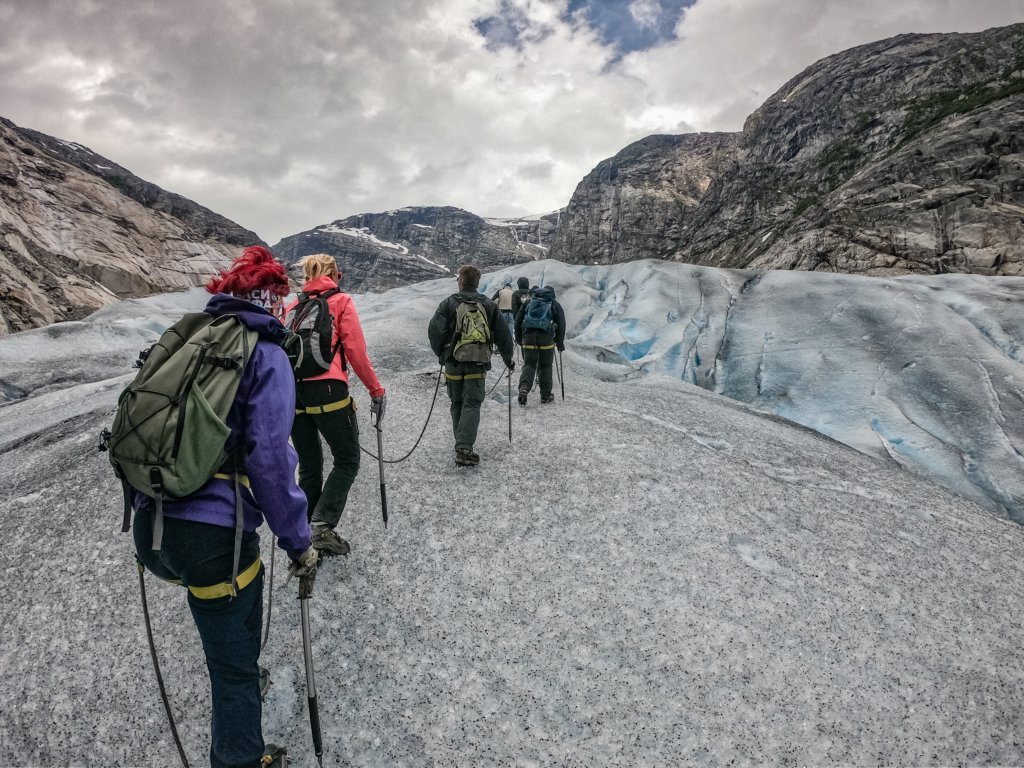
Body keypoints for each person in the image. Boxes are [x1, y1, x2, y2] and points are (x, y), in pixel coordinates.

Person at [133, 246, 316, 768]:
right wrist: (299, 541)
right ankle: (240, 757)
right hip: (213, 540)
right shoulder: (266, 353)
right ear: (273, 299)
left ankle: (237, 664)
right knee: (231, 662)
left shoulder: (185, 339)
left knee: (220, 612)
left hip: (152, 531)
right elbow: (272, 461)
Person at [286, 253, 386, 557]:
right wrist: (375, 389)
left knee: (311, 464)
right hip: (328, 389)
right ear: (334, 274)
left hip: (294, 392)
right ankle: (322, 526)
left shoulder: (294, 306)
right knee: (347, 458)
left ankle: (305, 530)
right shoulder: (340, 301)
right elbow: (355, 350)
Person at [428, 264, 515, 466]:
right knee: (472, 403)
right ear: (478, 283)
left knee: (457, 402)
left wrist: (442, 354)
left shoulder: (448, 303)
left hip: (453, 362)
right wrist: (508, 359)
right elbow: (503, 336)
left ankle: (461, 443)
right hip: (478, 361)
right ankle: (464, 447)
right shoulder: (488, 305)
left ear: (460, 281)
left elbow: (435, 330)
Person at [515, 285, 566, 406]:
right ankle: (545, 395)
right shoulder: (554, 303)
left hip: (528, 338)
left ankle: (524, 388)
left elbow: (518, 320)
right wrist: (559, 343)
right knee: (545, 366)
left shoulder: (528, 302)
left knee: (529, 364)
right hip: (546, 339)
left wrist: (518, 338)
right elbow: (561, 323)